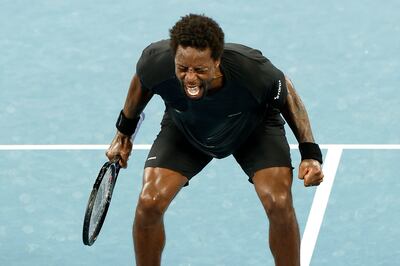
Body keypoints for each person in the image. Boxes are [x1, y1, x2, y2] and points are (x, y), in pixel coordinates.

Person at [106, 14, 324, 266]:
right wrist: (124, 133)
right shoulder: (155, 61)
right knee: (148, 203)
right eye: (182, 68)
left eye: (200, 70)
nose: (190, 78)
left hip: (253, 127)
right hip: (186, 128)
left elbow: (287, 94)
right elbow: (142, 83)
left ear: (217, 61)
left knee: (279, 202)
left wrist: (310, 153)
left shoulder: (252, 70)